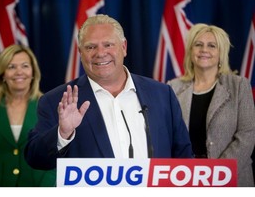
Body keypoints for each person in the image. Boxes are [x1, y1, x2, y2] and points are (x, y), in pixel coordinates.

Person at [24, 14, 193, 172]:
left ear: (124, 47)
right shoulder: (57, 100)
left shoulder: (162, 94)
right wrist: (62, 133)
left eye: (108, 44)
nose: (100, 53)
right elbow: (35, 158)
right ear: (81, 53)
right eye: (91, 47)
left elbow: (183, 157)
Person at [167, 23, 255, 187]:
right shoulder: (173, 87)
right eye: (198, 45)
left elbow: (247, 135)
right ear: (191, 51)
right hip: (187, 179)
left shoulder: (239, 85)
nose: (204, 50)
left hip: (232, 180)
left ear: (221, 53)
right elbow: (168, 136)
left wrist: (218, 172)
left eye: (211, 45)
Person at [0, 44, 56, 187]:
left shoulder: (49, 107)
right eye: (11, 67)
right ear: (2, 74)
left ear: (33, 72)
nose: (19, 72)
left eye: (25, 66)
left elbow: (54, 161)